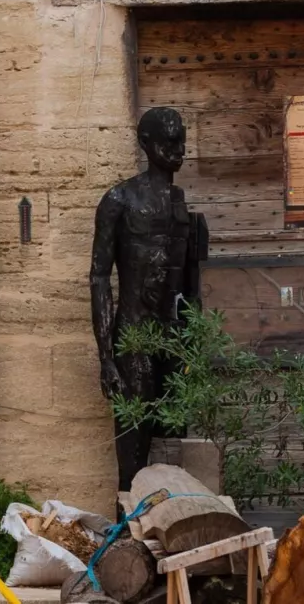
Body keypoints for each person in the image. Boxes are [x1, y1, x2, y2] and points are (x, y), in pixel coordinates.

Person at [90, 106, 208, 491]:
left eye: (183, 139)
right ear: (147, 143)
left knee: (175, 437)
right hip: (134, 335)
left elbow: (191, 285)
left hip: (174, 338)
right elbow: (98, 278)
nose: (180, 149)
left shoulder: (184, 210)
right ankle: (125, 536)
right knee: (133, 445)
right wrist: (107, 357)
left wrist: (195, 342)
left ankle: (170, 529)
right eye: (171, 140)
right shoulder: (119, 201)